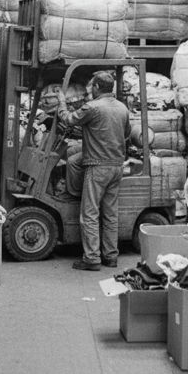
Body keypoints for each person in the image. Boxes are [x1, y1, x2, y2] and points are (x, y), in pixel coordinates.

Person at [56, 73, 131, 271]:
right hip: (116, 166)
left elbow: (68, 119)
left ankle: (91, 259)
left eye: (92, 86)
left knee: (89, 214)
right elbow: (126, 134)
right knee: (110, 214)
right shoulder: (122, 108)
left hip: (98, 167)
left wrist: (62, 102)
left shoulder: (92, 107)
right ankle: (111, 256)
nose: (90, 90)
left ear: (97, 87)